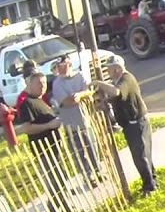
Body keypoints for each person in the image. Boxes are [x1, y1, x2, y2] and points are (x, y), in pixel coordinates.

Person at [14, 61, 73, 212]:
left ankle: (67, 210)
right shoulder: (27, 103)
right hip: (44, 149)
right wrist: (49, 125)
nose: (43, 87)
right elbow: (26, 128)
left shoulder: (41, 100)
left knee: (60, 180)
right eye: (39, 84)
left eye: (45, 84)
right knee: (55, 182)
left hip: (54, 146)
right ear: (30, 84)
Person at [91, 61, 158, 196]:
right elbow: (120, 98)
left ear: (116, 69)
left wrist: (98, 83)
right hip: (130, 124)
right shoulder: (121, 81)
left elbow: (116, 92)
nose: (108, 73)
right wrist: (105, 103)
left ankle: (149, 187)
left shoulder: (126, 79)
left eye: (109, 70)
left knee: (141, 157)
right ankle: (151, 181)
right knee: (143, 155)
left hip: (136, 123)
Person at [51, 56, 102, 187]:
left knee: (93, 147)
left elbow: (89, 91)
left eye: (64, 66)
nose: (61, 69)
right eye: (59, 67)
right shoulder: (57, 83)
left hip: (86, 120)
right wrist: (77, 97)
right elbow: (66, 101)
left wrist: (80, 95)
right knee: (79, 153)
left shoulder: (80, 76)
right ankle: (88, 176)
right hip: (71, 124)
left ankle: (98, 172)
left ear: (70, 64)